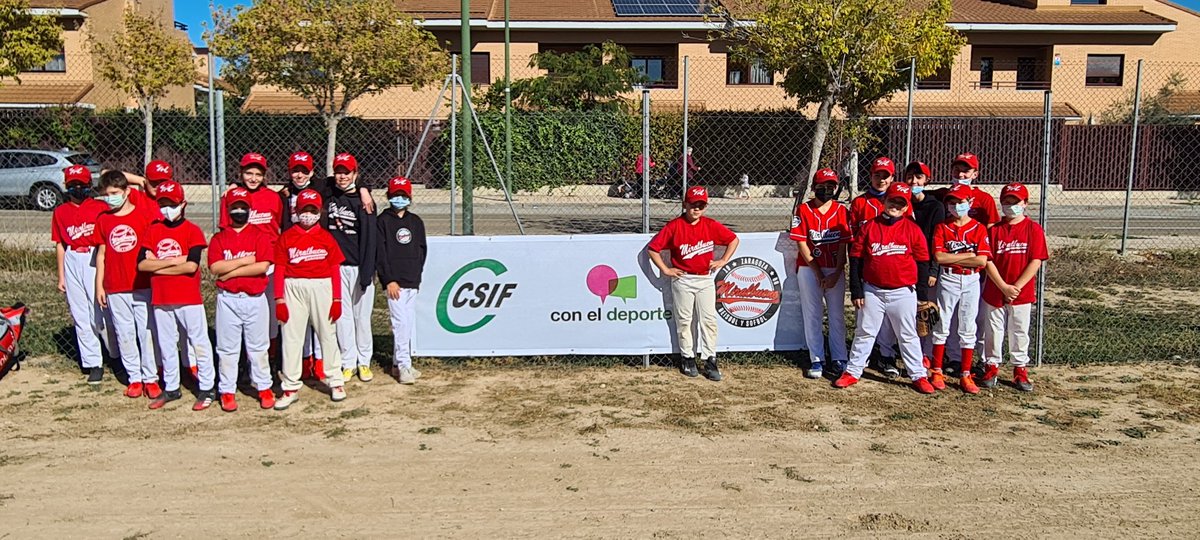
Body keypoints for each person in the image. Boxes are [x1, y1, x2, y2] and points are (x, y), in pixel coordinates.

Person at [836, 182, 935, 394]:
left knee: (907, 334)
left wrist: (922, 295)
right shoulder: (870, 227)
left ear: (907, 206)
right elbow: (856, 259)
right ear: (884, 201)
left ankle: (917, 374)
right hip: (873, 290)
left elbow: (923, 262)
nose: (896, 205)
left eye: (901, 202)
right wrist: (857, 289)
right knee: (865, 331)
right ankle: (852, 371)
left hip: (903, 291)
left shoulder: (912, 229)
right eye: (892, 200)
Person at [647, 186, 740, 382]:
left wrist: (723, 260)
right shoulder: (674, 226)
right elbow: (653, 249)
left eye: (701, 205)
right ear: (685, 205)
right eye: (693, 204)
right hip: (683, 279)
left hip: (705, 278)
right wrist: (665, 269)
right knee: (684, 320)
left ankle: (710, 359)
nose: (696, 209)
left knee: (708, 320)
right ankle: (687, 357)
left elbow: (733, 240)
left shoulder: (710, 225)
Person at [136, 180, 213, 410]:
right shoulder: (153, 230)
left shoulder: (192, 231)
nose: (167, 208)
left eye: (172, 203)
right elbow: (141, 265)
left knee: (198, 342)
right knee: (167, 343)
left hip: (188, 297)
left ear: (183, 204)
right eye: (163, 203)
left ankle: (208, 387)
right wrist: (175, 261)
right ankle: (171, 387)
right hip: (161, 297)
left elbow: (191, 266)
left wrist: (157, 264)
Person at [273, 188, 346, 409]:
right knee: (292, 336)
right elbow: (279, 269)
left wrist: (337, 299)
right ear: (296, 210)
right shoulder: (287, 236)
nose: (308, 214)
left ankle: (335, 380)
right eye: (304, 209)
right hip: (293, 286)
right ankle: (290, 385)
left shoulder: (326, 237)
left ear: (319, 212)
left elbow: (335, 269)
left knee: (327, 333)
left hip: (321, 286)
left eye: (313, 210)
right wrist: (279, 299)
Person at [208, 187, 276, 411]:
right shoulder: (220, 237)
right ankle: (227, 390)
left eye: (243, 207)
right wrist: (246, 260)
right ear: (227, 210)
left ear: (249, 210)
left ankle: (264, 387)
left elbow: (263, 265)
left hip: (255, 297)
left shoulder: (259, 235)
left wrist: (232, 272)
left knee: (258, 346)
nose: (239, 211)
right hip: (228, 299)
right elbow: (216, 266)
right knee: (227, 348)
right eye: (234, 207)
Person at [93, 170, 159, 399]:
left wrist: (141, 180)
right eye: (106, 194)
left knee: (147, 331)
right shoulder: (103, 219)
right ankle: (135, 378)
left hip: (141, 284)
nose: (110, 197)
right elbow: (101, 254)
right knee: (124, 332)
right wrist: (99, 286)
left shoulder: (143, 215)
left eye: (115, 193)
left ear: (127, 192)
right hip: (115, 285)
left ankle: (151, 377)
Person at [981, 182, 1049, 392]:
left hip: (1022, 291)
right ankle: (991, 365)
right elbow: (987, 260)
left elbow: (1036, 260)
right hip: (996, 289)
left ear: (1025, 203)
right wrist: (1002, 286)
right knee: (993, 329)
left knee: (1019, 330)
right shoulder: (995, 230)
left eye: (1016, 202)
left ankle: (1020, 369)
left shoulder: (1033, 229)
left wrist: (1016, 287)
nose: (1011, 206)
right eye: (1007, 202)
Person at [52, 165, 115, 384]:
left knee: (100, 311)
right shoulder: (60, 212)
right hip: (73, 258)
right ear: (66, 187)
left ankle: (115, 355)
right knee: (80, 314)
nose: (77, 188)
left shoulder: (98, 207)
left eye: (81, 184)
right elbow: (60, 244)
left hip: (94, 256)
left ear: (89, 186)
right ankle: (93, 363)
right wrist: (61, 276)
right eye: (72, 185)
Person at [929, 184, 991, 394]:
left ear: (970, 203)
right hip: (948, 278)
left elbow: (982, 260)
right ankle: (936, 370)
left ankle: (965, 373)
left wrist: (956, 257)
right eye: (952, 202)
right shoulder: (942, 227)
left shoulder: (979, 228)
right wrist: (968, 256)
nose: (956, 206)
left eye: (961, 202)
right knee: (942, 324)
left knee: (968, 326)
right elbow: (939, 257)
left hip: (971, 280)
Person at [788, 168, 850, 379]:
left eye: (831, 185)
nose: (827, 189)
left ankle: (839, 357)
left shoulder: (841, 211)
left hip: (834, 268)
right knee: (812, 313)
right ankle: (817, 358)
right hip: (808, 268)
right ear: (814, 187)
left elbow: (843, 246)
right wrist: (817, 272)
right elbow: (801, 243)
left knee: (836, 314)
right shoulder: (804, 210)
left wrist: (836, 272)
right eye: (822, 185)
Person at [326, 153, 378, 383]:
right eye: (339, 171)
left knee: (362, 317)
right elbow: (307, 181)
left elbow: (370, 240)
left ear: (355, 174)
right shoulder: (329, 194)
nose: (342, 176)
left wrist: (367, 272)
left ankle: (364, 362)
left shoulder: (364, 202)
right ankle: (348, 362)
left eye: (347, 172)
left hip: (360, 266)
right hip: (337, 267)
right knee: (342, 317)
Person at [277, 151, 327, 379]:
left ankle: (319, 360)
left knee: (319, 315)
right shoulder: (283, 195)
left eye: (304, 170)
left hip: (317, 257)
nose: (299, 174)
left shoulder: (321, 190)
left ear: (312, 172)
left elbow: (346, 181)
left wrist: (364, 188)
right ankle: (303, 360)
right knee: (297, 317)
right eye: (295, 170)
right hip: (293, 257)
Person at [850, 156, 902, 376]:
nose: (881, 179)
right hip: (866, 266)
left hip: (891, 266)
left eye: (886, 175)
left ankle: (886, 354)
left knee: (890, 317)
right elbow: (852, 237)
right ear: (871, 176)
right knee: (866, 316)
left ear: (892, 177)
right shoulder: (860, 203)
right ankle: (865, 355)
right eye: (877, 175)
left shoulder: (899, 203)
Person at [376, 176, 427, 384]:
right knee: (400, 323)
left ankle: (398, 363)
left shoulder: (415, 222)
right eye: (395, 194)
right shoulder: (383, 221)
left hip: (411, 279)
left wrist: (417, 275)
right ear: (389, 196)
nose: (399, 198)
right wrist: (388, 279)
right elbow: (380, 253)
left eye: (403, 195)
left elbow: (422, 249)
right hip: (394, 282)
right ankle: (405, 364)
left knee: (408, 321)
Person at [904, 161, 946, 371]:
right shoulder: (901, 204)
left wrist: (933, 270)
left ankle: (926, 353)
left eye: (919, 177)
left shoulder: (935, 206)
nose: (914, 182)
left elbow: (936, 241)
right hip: (905, 266)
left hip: (925, 267)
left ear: (926, 180)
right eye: (910, 177)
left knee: (926, 311)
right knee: (907, 312)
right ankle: (908, 351)